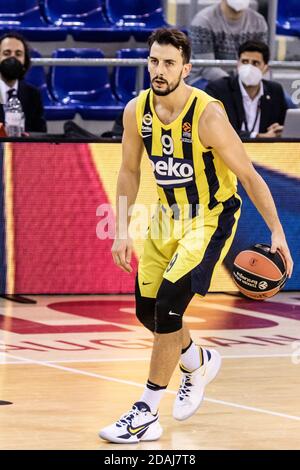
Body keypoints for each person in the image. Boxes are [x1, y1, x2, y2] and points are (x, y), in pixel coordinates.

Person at [99, 28, 293, 444]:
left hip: (210, 216)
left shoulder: (208, 115)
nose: (159, 70)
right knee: (147, 313)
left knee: (169, 306)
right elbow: (130, 171)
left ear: (186, 68)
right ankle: (196, 359)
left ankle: (146, 411)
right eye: (154, 61)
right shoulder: (137, 110)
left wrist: (277, 230)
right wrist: (120, 228)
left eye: (169, 63)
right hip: (167, 215)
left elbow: (248, 175)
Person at [205, 40, 287, 138]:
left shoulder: (275, 90)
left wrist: (279, 130)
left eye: (255, 63)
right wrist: (257, 136)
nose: (249, 67)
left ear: (266, 68)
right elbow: (215, 129)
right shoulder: (218, 89)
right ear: (238, 64)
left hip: (266, 151)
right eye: (245, 62)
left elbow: (284, 124)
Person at [189, 0, 268, 86]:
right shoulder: (203, 21)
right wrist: (238, 86)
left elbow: (262, 62)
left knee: (280, 96)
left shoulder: (258, 22)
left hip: (244, 81)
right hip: (204, 79)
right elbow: (207, 68)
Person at [0, 32, 47, 133]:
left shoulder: (33, 94)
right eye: (6, 53)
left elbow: (40, 135)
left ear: (25, 62)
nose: (12, 58)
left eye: (18, 54)